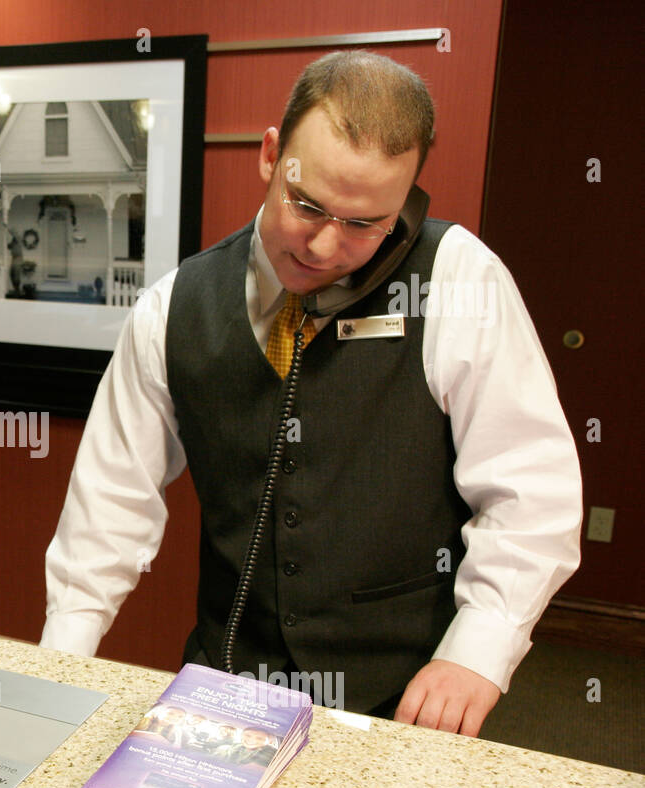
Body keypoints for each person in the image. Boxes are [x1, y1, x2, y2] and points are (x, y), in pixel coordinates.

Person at [40, 51, 582, 737]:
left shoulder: (458, 281)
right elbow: (107, 508)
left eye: (365, 224)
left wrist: (479, 650)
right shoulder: (170, 309)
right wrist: (61, 667)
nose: (326, 246)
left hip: (409, 701)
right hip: (227, 691)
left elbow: (534, 494)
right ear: (273, 156)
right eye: (309, 206)